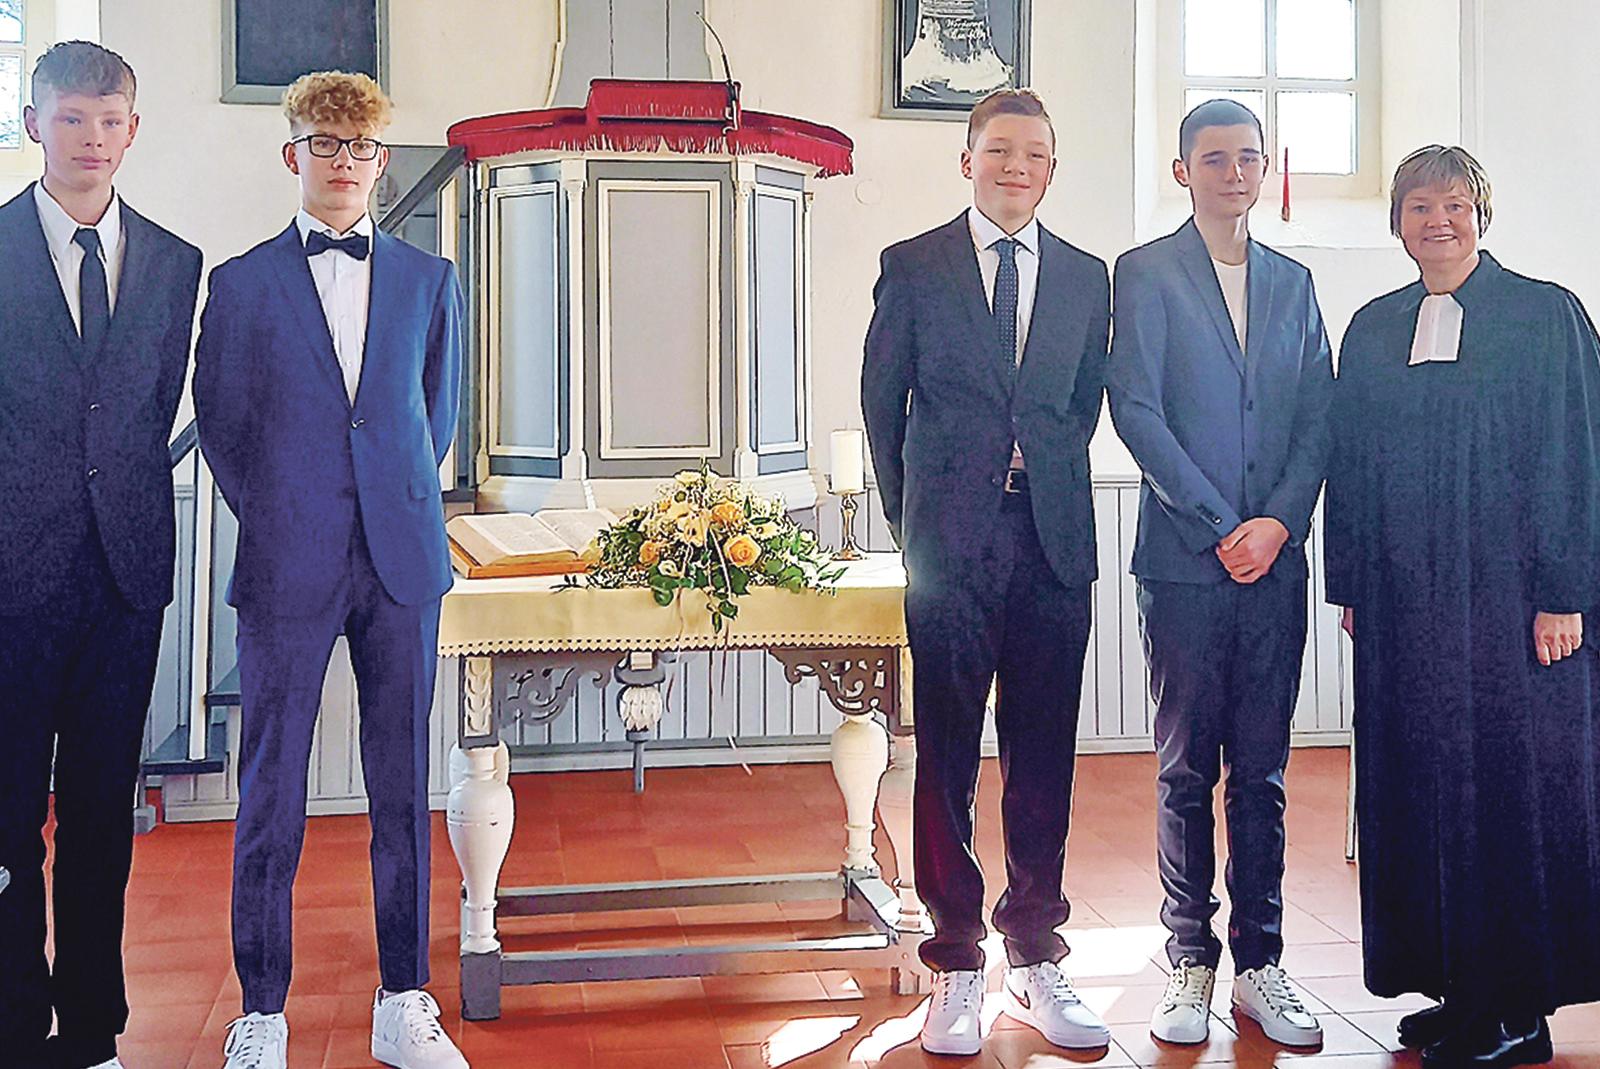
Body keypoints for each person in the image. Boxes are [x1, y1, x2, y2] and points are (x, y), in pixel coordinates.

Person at [193, 70, 466, 1069]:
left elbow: (435, 415)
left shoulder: (430, 280)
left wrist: (385, 496)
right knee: (271, 789)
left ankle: (404, 1000)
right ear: (292, 154)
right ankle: (263, 1011)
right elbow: (222, 426)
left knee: (401, 785)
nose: (343, 162)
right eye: (324, 143)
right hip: (286, 561)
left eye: (360, 147)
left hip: (401, 559)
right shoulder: (241, 285)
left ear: (381, 161)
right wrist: (284, 512)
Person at [1325, 145, 1600, 1069]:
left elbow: (1576, 456)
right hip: (1406, 607)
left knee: (1511, 795)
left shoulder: (1544, 314)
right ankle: (1456, 986)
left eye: (1454, 204)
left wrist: (1565, 593)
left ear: (1482, 214)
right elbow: (1350, 464)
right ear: (1396, 221)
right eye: (1418, 206)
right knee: (1423, 786)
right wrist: (1352, 584)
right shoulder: (1374, 328)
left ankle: (1518, 1006)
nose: (1436, 221)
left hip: (1516, 609)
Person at [861, 87, 1111, 1057]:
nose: (1016, 166)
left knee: (1043, 754)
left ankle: (1036, 953)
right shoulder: (913, 265)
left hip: (1052, 541)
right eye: (999, 149)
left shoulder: (1086, 277)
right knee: (948, 754)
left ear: (1051, 169)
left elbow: (1078, 406)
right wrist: (914, 523)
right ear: (967, 160)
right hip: (948, 546)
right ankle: (956, 961)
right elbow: (883, 406)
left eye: (1034, 153)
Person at [1107, 98, 1332, 1048]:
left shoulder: (1295, 282)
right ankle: (1190, 958)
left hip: (1276, 568)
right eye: (1214, 158)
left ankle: (1262, 963)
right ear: (1182, 171)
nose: (1233, 173)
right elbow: (1135, 408)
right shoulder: (1146, 273)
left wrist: (1278, 522)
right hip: (1184, 569)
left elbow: (1319, 413)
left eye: (1247, 158)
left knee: (1264, 774)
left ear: (1264, 168)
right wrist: (1220, 525)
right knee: (1186, 769)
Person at [0, 41, 202, 1069]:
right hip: (9, 577)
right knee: (5, 822)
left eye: (108, 119)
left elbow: (145, 415)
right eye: (70, 117)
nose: (90, 137)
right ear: (33, 124)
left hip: (125, 576)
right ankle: (10, 1027)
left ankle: (90, 1036)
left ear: (133, 130)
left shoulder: (174, 262)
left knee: (98, 818)